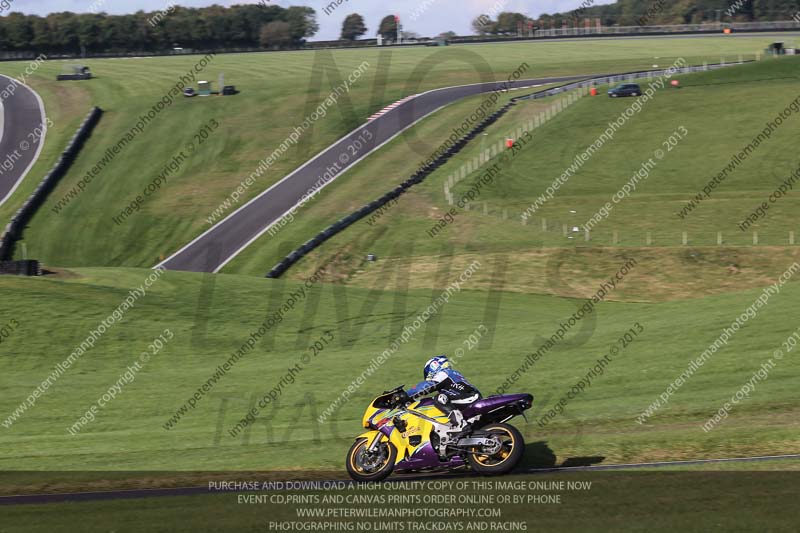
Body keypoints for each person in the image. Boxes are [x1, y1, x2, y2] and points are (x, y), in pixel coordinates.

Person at [405, 355, 482, 430]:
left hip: (469, 397)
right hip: (470, 397)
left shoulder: (444, 373)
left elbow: (427, 386)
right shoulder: (452, 375)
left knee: (440, 398)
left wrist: (405, 395)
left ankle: (460, 425)